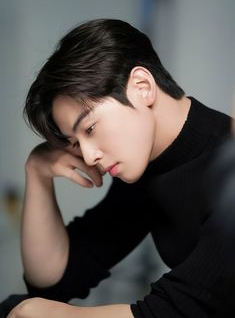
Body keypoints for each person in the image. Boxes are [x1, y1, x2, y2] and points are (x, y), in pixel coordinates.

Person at [7, 19, 234, 318]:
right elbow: (55, 279)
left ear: (142, 87)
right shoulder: (148, 168)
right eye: (74, 142)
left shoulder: (226, 162)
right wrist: (37, 171)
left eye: (89, 128)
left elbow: (176, 310)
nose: (88, 157)